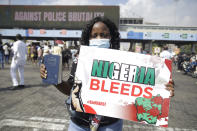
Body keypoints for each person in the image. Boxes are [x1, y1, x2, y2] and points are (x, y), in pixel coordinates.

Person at [40, 17, 174, 131]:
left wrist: (163, 89)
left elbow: (141, 88)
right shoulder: (80, 59)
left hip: (110, 126)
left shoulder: (125, 62)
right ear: (88, 38)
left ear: (111, 37)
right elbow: (71, 88)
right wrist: (54, 79)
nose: (99, 38)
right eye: (94, 35)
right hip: (79, 125)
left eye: (103, 35)